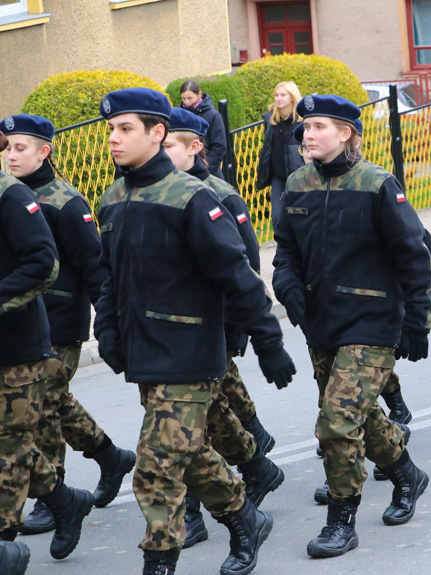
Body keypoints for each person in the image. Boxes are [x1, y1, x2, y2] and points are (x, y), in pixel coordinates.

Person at [94, 87, 296, 574]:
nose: (114, 140)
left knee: (156, 466)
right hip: (144, 353)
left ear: (157, 132)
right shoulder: (115, 198)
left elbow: (237, 274)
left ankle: (159, 562)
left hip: (189, 353)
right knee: (189, 452)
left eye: (126, 129)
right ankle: (244, 515)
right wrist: (109, 331)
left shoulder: (192, 197)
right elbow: (108, 278)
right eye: (111, 131)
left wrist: (269, 343)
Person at [272, 94, 431, 558]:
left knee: (337, 423)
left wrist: (418, 320)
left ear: (346, 133)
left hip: (372, 322)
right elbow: (285, 252)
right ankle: (406, 473)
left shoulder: (377, 183)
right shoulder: (298, 183)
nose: (308, 133)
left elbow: (411, 254)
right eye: (305, 126)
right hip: (321, 322)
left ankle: (341, 521)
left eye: (320, 126)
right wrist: (287, 287)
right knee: (359, 415)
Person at [1, 115, 137, 537]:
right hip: (30, 319)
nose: (11, 155)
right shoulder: (16, 194)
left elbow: (94, 266)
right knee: (51, 405)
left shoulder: (64, 200)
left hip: (57, 322)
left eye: (20, 148)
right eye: (9, 148)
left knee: (41, 411)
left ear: (43, 151)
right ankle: (104, 460)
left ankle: (52, 494)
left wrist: (108, 323)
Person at [161, 107, 285, 550]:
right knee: (203, 420)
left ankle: (192, 514)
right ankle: (255, 464)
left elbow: (245, 264)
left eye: (169, 144)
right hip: (174, 334)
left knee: (185, 428)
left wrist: (241, 328)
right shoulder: (156, 191)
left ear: (195, 147)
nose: (161, 151)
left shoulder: (218, 194)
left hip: (211, 327)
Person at [0, 130, 97, 574]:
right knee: (12, 441)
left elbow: (44, 263)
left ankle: (3, 543)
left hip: (18, 345)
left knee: (11, 446)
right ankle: (63, 499)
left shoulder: (14, 199)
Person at [256, 81, 304, 227]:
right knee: (277, 217)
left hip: (299, 175)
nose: (278, 98)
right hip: (278, 176)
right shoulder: (271, 121)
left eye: (283, 95)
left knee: (299, 216)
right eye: (276, 95)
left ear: (292, 97)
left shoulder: (302, 121)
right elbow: (268, 148)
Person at [179, 80, 227, 179]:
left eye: (190, 98)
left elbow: (219, 146)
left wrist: (204, 167)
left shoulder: (213, 116)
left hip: (210, 172)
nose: (186, 102)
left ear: (199, 94)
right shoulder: (180, 115)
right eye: (183, 98)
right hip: (186, 172)